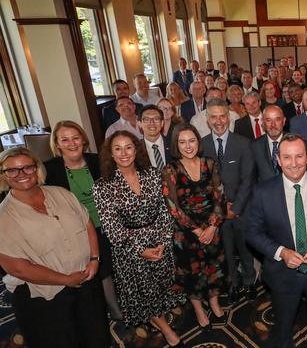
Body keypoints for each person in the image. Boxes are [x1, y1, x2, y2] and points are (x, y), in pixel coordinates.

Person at [0, 147, 110, 348]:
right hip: (47, 295)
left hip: (86, 279)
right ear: (4, 175)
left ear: (37, 169)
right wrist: (66, 280)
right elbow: (17, 267)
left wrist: (95, 259)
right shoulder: (4, 217)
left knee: (96, 337)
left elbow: (86, 223)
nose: (21, 174)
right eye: (12, 170)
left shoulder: (60, 193)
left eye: (27, 167)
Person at [246, 133, 307, 348]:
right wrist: (281, 252)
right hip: (282, 275)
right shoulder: (262, 192)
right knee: (283, 325)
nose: (294, 164)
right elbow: (252, 232)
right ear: (278, 159)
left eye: (299, 156)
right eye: (287, 157)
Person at [93, 131, 185, 346]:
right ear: (110, 153)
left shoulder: (152, 174)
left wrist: (163, 240)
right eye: (118, 148)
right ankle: (166, 329)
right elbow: (112, 228)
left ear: (137, 149)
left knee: (162, 287)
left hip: (159, 241)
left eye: (128, 147)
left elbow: (163, 210)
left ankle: (157, 316)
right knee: (146, 293)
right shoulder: (102, 187)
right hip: (130, 248)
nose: (124, 153)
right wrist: (140, 250)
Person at [44, 121, 122, 320]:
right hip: (77, 231)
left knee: (118, 262)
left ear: (83, 140)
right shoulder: (48, 170)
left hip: (109, 223)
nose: (72, 143)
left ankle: (120, 300)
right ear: (57, 144)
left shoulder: (99, 161)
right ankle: (115, 309)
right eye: (65, 139)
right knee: (102, 267)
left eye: (75, 138)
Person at [162, 123, 226, 329]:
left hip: (212, 228)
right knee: (193, 274)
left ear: (198, 142)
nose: (188, 146)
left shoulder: (209, 163)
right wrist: (198, 230)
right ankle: (199, 308)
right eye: (182, 142)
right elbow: (172, 206)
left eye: (191, 141)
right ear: (176, 145)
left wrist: (212, 226)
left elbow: (220, 195)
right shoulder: (170, 169)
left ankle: (214, 302)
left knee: (214, 268)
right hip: (187, 233)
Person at [201, 98, 256, 304]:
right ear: (207, 120)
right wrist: (222, 209)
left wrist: (236, 207)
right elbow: (203, 182)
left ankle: (250, 281)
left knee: (245, 247)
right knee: (225, 250)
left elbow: (248, 179)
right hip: (216, 213)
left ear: (229, 117)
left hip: (242, 209)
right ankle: (232, 282)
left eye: (222, 116)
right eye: (213, 117)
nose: (218, 121)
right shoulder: (201, 145)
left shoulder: (243, 143)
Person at [251, 105, 286, 183]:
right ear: (263, 123)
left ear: (284, 121)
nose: (273, 125)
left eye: (277, 119)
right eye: (268, 120)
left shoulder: (295, 143)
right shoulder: (254, 146)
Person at [138, 104, 172, 168]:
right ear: (139, 124)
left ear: (162, 123)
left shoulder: (174, 143)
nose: (152, 123)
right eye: (146, 119)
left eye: (156, 119)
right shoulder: (135, 149)